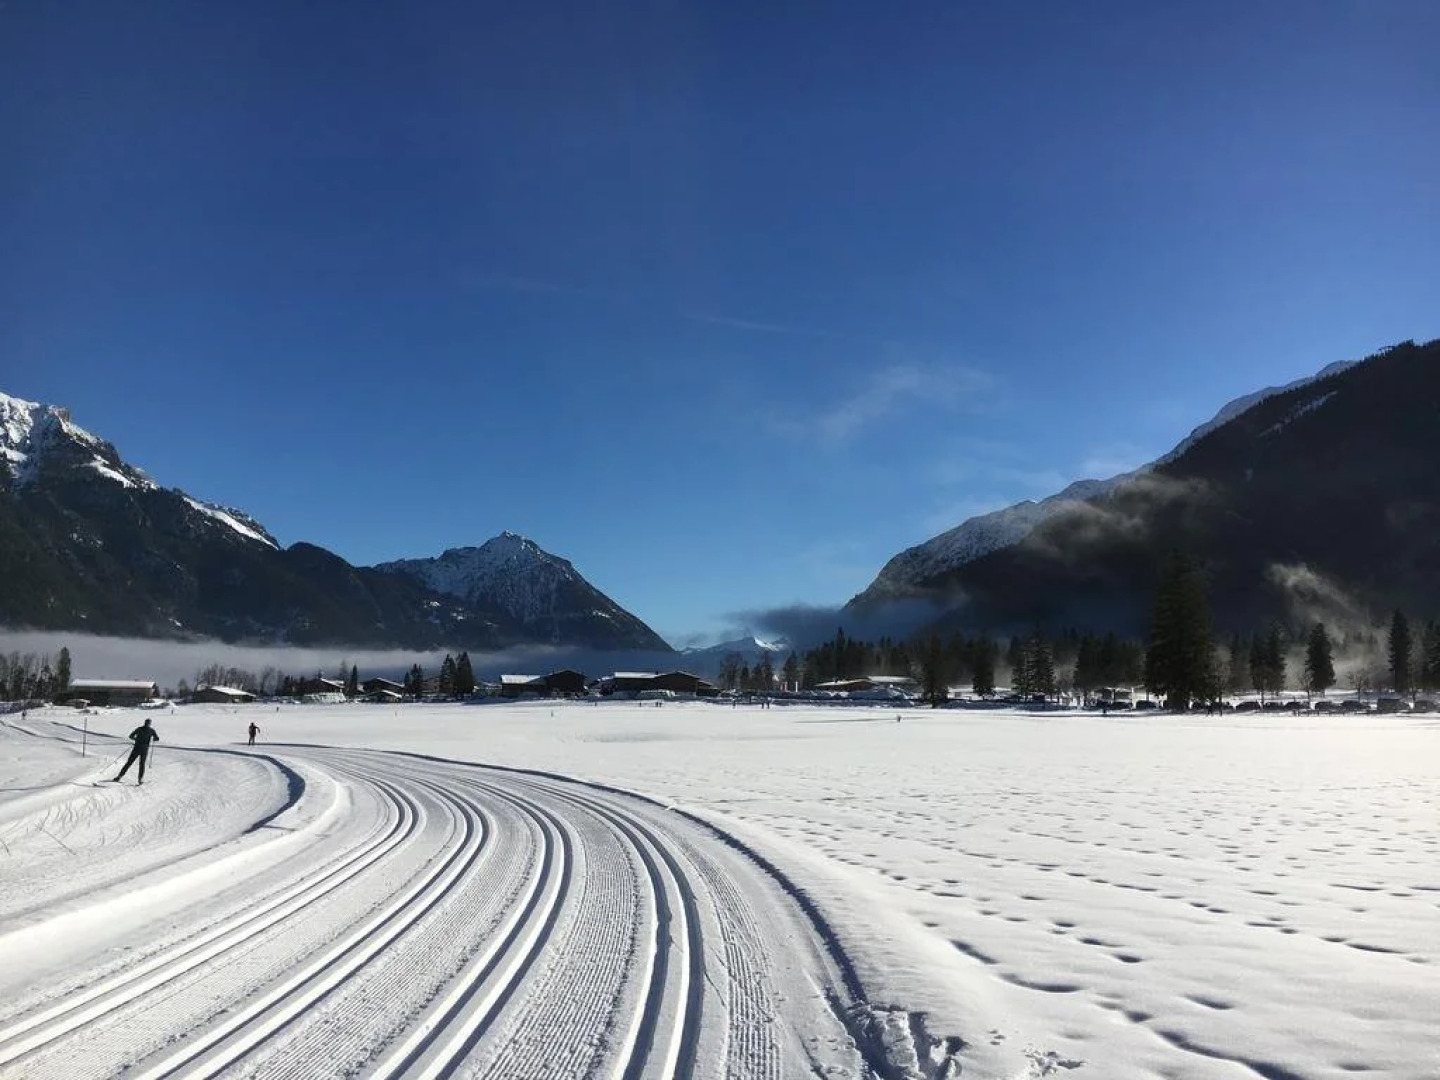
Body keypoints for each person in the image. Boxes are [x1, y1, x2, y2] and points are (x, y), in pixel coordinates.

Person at [114, 718, 159, 784]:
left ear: (145, 722)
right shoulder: (151, 730)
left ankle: (119, 776)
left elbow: (131, 736)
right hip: (144, 749)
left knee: (129, 763)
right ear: (149, 723)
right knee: (142, 764)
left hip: (136, 748)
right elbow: (157, 738)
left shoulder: (139, 729)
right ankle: (140, 780)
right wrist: (154, 738)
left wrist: (136, 740)